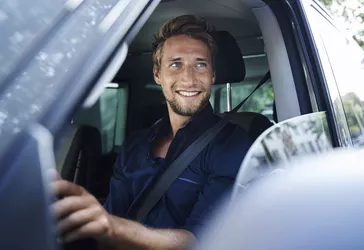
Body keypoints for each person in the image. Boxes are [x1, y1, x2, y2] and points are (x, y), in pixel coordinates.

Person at [51, 15, 252, 250]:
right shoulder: (135, 145)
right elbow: (113, 217)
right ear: (158, 75)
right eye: (176, 64)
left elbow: (200, 240)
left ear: (213, 75)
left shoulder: (233, 144)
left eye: (200, 64)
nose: (188, 78)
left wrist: (109, 226)